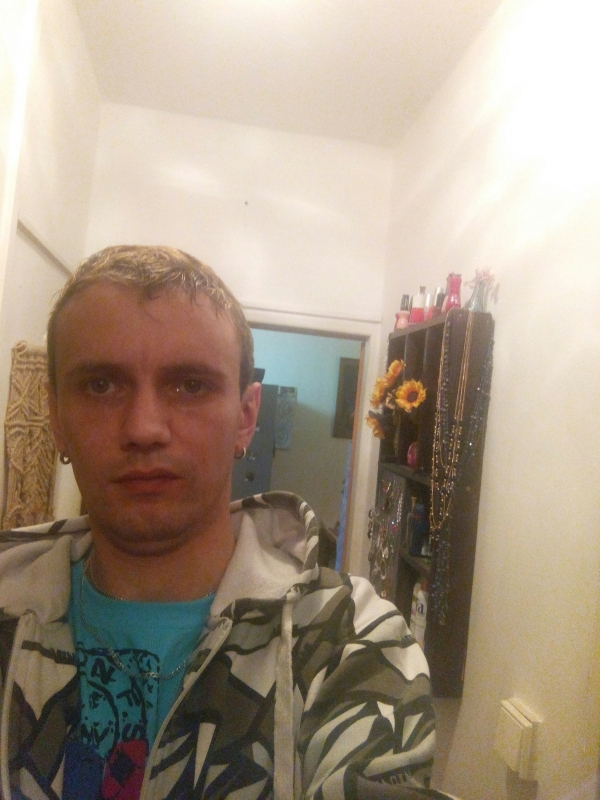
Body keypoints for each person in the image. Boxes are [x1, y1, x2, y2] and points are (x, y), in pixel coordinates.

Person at [0, 246, 445, 800]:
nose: (143, 428)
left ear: (246, 417)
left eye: (189, 385)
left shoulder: (348, 641)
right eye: (100, 385)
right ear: (56, 418)